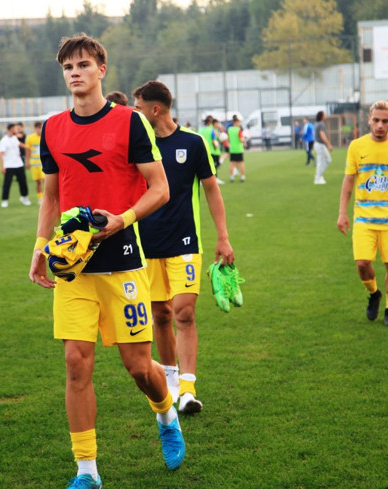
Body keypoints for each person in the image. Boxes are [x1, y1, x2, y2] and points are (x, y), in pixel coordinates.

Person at [28, 34, 183, 488]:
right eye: (68, 67)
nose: (75, 72)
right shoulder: (52, 128)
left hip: (123, 262)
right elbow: (51, 197)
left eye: (83, 64)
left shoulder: (131, 122)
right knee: (76, 363)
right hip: (73, 268)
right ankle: (87, 470)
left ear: (101, 70)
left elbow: (160, 188)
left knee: (139, 368)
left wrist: (123, 220)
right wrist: (39, 247)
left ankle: (165, 414)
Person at [133, 80, 235, 414]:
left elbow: (211, 189)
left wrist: (223, 236)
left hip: (185, 242)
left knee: (184, 312)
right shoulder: (137, 145)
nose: (135, 113)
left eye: (138, 108)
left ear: (155, 110)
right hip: (147, 245)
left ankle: (188, 390)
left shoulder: (193, 142)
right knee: (160, 315)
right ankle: (172, 382)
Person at [337, 100, 388, 327]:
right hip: (363, 218)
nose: (380, 125)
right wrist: (342, 213)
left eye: (385, 121)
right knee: (362, 263)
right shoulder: (356, 146)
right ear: (369, 120)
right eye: (376, 120)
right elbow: (348, 181)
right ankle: (374, 293)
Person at [0, 123, 31, 208]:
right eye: (15, 129)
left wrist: (28, 147)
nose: (17, 130)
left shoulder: (14, 138)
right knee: (7, 184)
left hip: (19, 164)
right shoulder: (3, 140)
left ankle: (24, 197)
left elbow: (20, 145)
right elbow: (0, 154)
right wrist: (2, 166)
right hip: (9, 166)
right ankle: (4, 200)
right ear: (11, 129)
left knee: (23, 182)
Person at [198, 116, 224, 185]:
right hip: (212, 150)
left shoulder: (200, 129)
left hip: (202, 150)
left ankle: (201, 180)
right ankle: (215, 179)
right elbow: (213, 140)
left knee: (203, 166)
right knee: (214, 166)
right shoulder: (211, 130)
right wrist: (216, 147)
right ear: (209, 122)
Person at [25, 121, 45, 203]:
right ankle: (40, 198)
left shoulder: (46, 136)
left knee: (46, 181)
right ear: (35, 128)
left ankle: (47, 198)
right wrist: (27, 161)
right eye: (38, 128)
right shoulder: (30, 138)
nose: (39, 130)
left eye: (41, 128)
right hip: (34, 164)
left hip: (44, 163)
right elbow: (28, 151)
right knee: (38, 181)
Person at [313, 110, 333, 185]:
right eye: (324, 114)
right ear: (321, 116)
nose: (325, 115)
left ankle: (319, 176)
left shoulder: (316, 124)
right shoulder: (321, 125)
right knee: (324, 161)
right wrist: (329, 145)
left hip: (317, 144)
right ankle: (317, 178)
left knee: (325, 161)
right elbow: (322, 136)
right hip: (320, 145)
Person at [227, 115, 246, 182]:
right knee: (241, 163)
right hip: (238, 149)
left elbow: (228, 138)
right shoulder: (238, 130)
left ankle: (232, 177)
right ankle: (242, 177)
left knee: (232, 164)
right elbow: (241, 139)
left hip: (232, 149)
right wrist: (244, 139)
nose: (240, 124)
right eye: (239, 122)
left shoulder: (229, 129)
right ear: (236, 122)